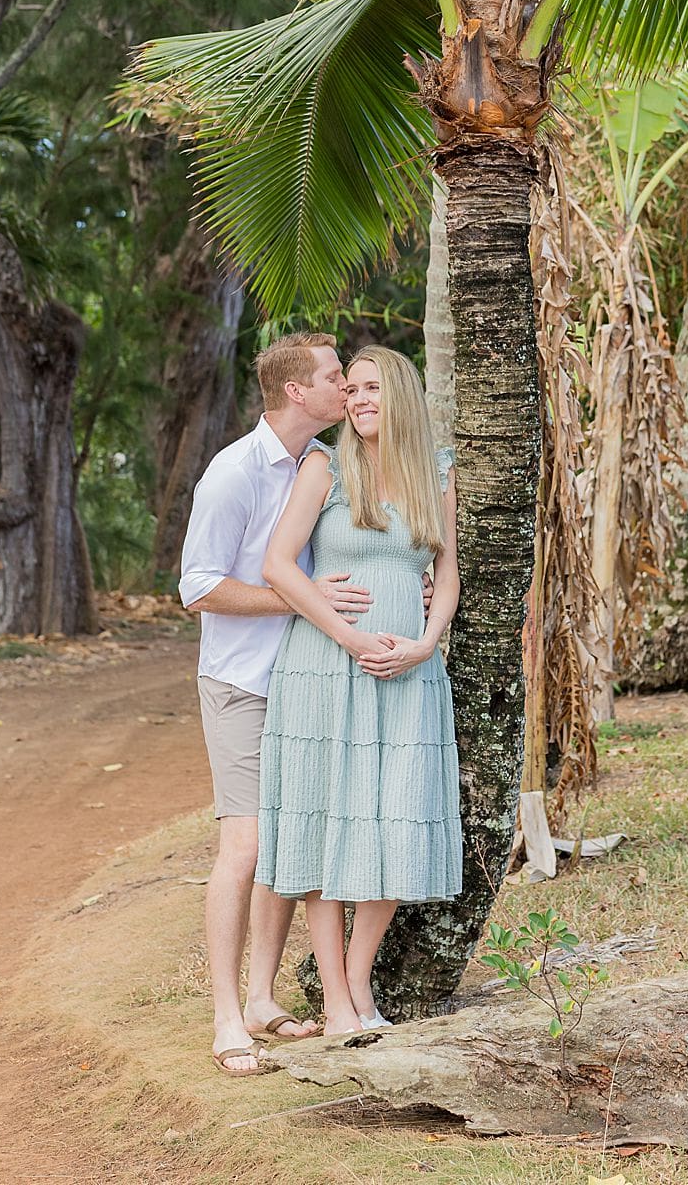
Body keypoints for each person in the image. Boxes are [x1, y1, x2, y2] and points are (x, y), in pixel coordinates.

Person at [179, 331, 374, 1076]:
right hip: (240, 684)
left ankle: (262, 998)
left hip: (308, 684)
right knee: (247, 847)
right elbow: (196, 588)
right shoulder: (233, 474)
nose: (346, 390)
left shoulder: (322, 464)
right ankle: (227, 1016)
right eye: (335, 378)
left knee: (289, 847)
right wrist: (293, 602)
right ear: (299, 392)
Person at [257, 346, 463, 1033]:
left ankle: (354, 980)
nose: (359, 398)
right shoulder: (324, 468)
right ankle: (343, 1008)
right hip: (325, 668)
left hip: (408, 674)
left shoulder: (435, 476)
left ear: (401, 394)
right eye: (352, 389)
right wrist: (348, 638)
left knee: (394, 820)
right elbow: (279, 566)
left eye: (373, 387)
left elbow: (448, 573)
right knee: (326, 825)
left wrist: (426, 643)